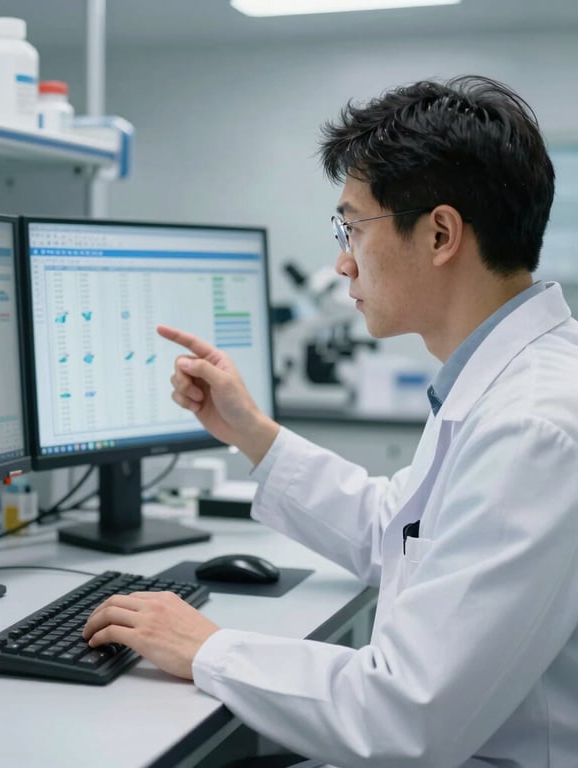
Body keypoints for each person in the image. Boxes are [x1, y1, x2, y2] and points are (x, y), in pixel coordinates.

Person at [83, 75, 578, 767]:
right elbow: (399, 531)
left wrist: (207, 646)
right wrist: (251, 431)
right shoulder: (505, 382)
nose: (343, 260)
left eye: (353, 226)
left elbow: (407, 720)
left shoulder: (531, 426)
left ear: (440, 234)